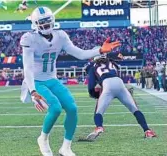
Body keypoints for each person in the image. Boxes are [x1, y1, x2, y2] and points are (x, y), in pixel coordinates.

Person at [20, 7, 120, 156]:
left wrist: (99, 50)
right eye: (42, 22)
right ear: (35, 23)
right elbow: (27, 68)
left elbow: (79, 54)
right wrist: (33, 91)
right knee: (55, 108)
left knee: (72, 109)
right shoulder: (29, 38)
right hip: (36, 81)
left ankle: (66, 147)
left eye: (48, 21)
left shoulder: (60, 35)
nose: (46, 25)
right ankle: (43, 138)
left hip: (52, 79)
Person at [84, 55, 156, 141]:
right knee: (135, 109)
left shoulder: (93, 66)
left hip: (107, 85)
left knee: (98, 112)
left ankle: (99, 127)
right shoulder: (111, 62)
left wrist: (94, 94)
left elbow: (91, 86)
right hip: (119, 83)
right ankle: (147, 131)